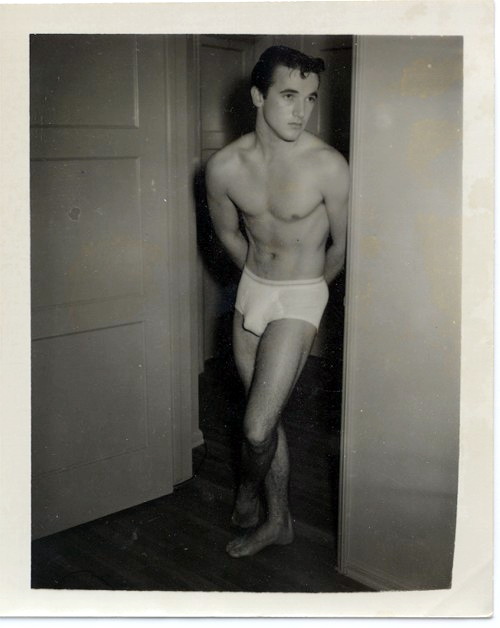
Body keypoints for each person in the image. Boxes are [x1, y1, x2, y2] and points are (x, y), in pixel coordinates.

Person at [205, 45, 349, 558]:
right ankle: (278, 522)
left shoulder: (328, 167)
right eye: (289, 96)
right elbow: (229, 234)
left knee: (255, 426)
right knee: (263, 421)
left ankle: (248, 490)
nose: (301, 110)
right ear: (257, 96)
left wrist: (308, 294)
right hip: (252, 292)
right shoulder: (224, 167)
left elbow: (341, 247)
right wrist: (258, 277)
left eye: (310, 98)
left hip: (301, 296)